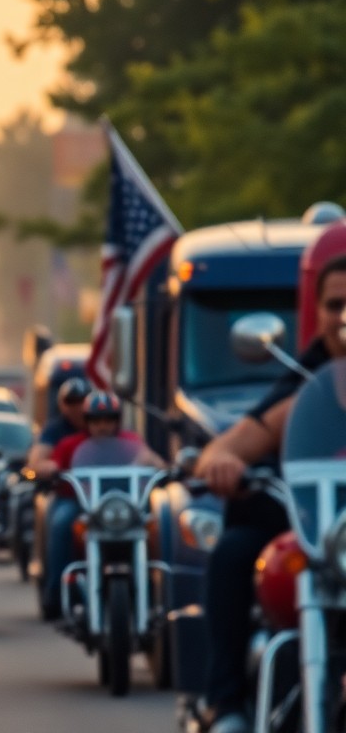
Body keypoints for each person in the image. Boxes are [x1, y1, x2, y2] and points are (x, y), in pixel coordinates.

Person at [193, 254, 346, 733]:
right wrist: (221, 461)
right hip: (306, 536)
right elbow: (232, 442)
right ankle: (228, 706)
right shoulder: (302, 383)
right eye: (335, 304)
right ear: (317, 312)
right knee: (235, 552)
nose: (345, 317)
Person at [40, 391, 164, 619]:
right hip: (82, 504)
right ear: (87, 422)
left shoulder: (131, 442)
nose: (103, 427)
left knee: (157, 524)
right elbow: (49, 464)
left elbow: (151, 459)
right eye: (97, 421)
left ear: (117, 421)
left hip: (123, 507)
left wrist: (153, 463)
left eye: (108, 420)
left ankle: (160, 589)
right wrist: (48, 468)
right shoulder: (70, 445)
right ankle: (55, 596)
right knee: (61, 522)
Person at [28, 377, 91, 480]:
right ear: (61, 404)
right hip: (66, 488)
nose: (77, 407)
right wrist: (51, 467)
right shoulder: (54, 429)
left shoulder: (98, 425)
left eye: (82, 401)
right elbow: (36, 462)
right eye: (71, 402)